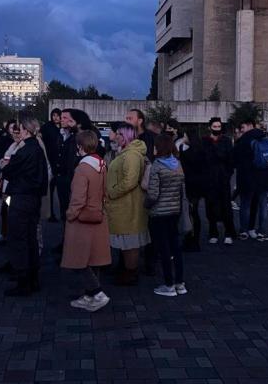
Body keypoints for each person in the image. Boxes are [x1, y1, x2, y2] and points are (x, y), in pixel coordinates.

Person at [61, 130, 111, 312]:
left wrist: (70, 214)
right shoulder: (102, 164)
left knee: (79, 261)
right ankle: (91, 296)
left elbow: (78, 198)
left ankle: (96, 293)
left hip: (82, 219)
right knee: (94, 259)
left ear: (80, 147)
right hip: (98, 215)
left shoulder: (82, 168)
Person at [0, 112, 49, 296]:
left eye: (19, 127)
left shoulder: (26, 149)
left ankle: (23, 281)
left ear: (26, 129)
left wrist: (5, 166)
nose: (16, 130)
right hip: (32, 198)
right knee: (30, 239)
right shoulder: (35, 148)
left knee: (19, 239)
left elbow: (8, 170)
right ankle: (32, 278)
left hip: (21, 197)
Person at [106, 123, 150, 285]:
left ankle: (131, 273)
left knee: (130, 242)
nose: (116, 136)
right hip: (124, 204)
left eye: (118, 133)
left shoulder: (131, 155)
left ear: (125, 135)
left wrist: (113, 191)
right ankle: (127, 271)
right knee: (126, 241)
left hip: (128, 205)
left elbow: (130, 181)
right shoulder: (127, 153)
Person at [146, 134, 187, 297]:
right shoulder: (177, 164)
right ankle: (180, 283)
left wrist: (146, 205)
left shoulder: (157, 165)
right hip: (175, 211)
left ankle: (169, 284)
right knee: (176, 247)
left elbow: (153, 194)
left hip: (159, 213)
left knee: (164, 249)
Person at [203, 117, 236, 245]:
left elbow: (230, 159)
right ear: (210, 127)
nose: (217, 129)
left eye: (219, 126)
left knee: (226, 206)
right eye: (214, 126)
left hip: (223, 178)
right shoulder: (205, 141)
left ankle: (228, 232)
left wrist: (227, 174)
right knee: (210, 206)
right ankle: (213, 232)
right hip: (209, 179)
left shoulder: (226, 141)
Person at [0, 121, 22, 247]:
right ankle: (4, 233)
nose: (14, 132)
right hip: (4, 181)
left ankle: (9, 235)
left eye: (17, 130)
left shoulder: (21, 145)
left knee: (10, 208)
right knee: (4, 208)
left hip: (13, 184)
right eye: (12, 129)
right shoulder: (10, 143)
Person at [178, 128, 208, 251]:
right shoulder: (202, 152)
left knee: (190, 213)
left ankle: (191, 239)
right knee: (194, 213)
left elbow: (182, 163)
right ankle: (194, 240)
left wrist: (180, 146)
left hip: (190, 186)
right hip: (199, 186)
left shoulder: (187, 153)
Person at [41, 109, 63, 221]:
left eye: (57, 115)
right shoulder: (47, 127)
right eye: (53, 115)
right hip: (49, 161)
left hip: (60, 162)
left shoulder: (63, 128)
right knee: (50, 189)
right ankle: (50, 213)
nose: (55, 118)